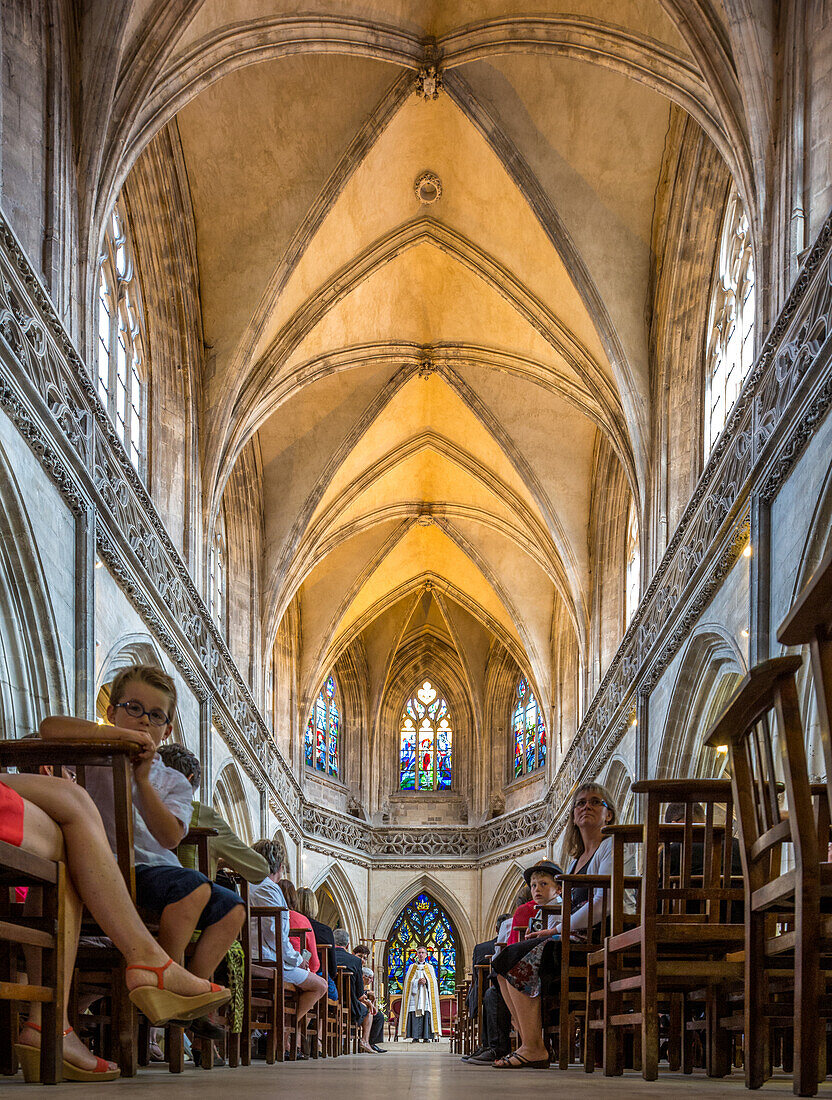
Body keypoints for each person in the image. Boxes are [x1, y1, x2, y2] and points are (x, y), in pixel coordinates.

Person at [0, 770, 229, 1083]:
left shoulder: (165, 777)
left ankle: (53, 1023)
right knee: (74, 825)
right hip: (137, 870)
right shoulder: (103, 766)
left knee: (74, 809)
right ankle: (146, 967)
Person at [40, 666, 246, 996]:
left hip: (153, 870)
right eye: (133, 709)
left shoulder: (173, 780)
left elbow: (169, 837)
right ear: (112, 712)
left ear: (167, 731)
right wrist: (112, 738)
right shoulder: (92, 756)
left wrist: (142, 780)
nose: (144, 721)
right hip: (101, 867)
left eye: (156, 716)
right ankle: (164, 986)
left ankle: (185, 987)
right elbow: (49, 727)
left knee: (233, 907)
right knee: (193, 888)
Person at [492, 784, 630, 1069]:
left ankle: (534, 1047)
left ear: (609, 814)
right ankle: (529, 1042)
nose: (586, 807)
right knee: (501, 962)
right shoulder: (577, 861)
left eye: (595, 802)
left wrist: (554, 931)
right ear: (573, 816)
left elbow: (604, 903)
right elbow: (569, 908)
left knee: (515, 957)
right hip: (574, 938)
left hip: (598, 941)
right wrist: (551, 930)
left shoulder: (611, 846)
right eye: (580, 803)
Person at [156, 743, 269, 883]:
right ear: (189, 779)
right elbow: (259, 869)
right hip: (189, 898)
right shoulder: (202, 815)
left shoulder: (136, 804)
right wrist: (224, 862)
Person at [248, 839, 327, 1026]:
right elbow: (277, 939)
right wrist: (299, 961)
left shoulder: (244, 885)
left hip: (245, 958)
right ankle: (281, 1030)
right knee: (320, 985)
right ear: (280, 867)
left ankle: (268, 1031)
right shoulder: (270, 889)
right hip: (270, 963)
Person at [462, 914, 511, 1065]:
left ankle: (489, 1045)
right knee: (489, 994)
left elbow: (477, 979)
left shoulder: (482, 948)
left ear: (497, 929)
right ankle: (490, 1046)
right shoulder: (515, 942)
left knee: (487, 994)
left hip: (493, 994)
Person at [333, 930, 380, 1054]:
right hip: (348, 1002)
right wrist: (369, 1003)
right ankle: (364, 1041)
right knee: (368, 1012)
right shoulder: (354, 961)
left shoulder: (326, 955)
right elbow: (359, 994)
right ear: (348, 945)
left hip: (328, 999)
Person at [295, 886, 339, 1003]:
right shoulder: (324, 930)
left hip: (291, 970)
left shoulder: (289, 921)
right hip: (317, 974)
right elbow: (332, 968)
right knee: (333, 996)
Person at [398, 944, 441, 1042]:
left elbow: (434, 983)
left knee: (426, 1012)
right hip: (414, 995)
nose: (421, 954)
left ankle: (427, 1037)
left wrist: (427, 982)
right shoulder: (412, 967)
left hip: (426, 995)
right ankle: (415, 1037)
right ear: (416, 954)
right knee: (414, 1013)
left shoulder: (430, 967)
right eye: (419, 953)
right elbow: (408, 983)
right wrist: (417, 981)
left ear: (426, 954)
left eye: (423, 953)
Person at [353, 943, 386, 1051]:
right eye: (360, 956)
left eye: (364, 958)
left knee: (379, 1016)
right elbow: (354, 991)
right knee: (370, 1011)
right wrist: (367, 999)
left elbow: (359, 989)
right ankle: (365, 1041)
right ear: (354, 954)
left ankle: (372, 1043)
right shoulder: (354, 968)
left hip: (359, 999)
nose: (362, 960)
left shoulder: (360, 969)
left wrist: (367, 995)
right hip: (353, 1001)